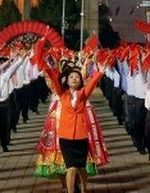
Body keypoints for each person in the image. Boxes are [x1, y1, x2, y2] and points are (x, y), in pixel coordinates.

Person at [42, 59, 106, 193]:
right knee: (70, 168)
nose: (74, 79)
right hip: (65, 137)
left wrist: (100, 72)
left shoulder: (83, 94)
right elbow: (54, 81)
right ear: (67, 80)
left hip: (81, 137)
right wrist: (47, 68)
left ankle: (84, 188)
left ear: (80, 80)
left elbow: (92, 83)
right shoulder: (62, 94)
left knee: (81, 168)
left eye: (77, 77)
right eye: (71, 77)